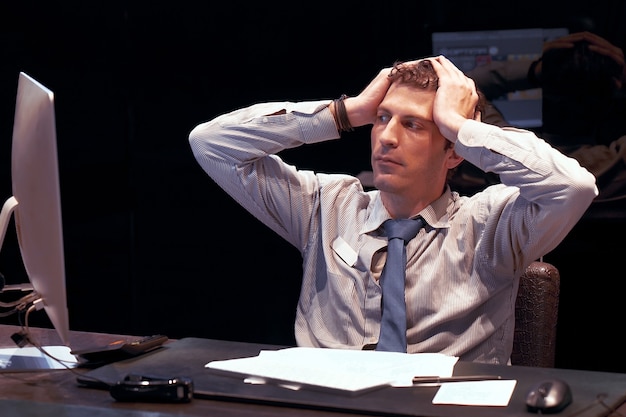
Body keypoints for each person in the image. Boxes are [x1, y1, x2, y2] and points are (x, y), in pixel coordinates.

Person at [188, 56, 597, 365]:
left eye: (414, 125)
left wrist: (460, 126)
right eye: (383, 119)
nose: (386, 137)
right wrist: (345, 113)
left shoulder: (490, 222)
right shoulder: (324, 205)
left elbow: (573, 187)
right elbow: (210, 144)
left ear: (453, 151)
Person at [463, 31, 626, 201]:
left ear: (545, 94)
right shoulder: (618, 166)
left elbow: (465, 87)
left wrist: (535, 69)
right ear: (610, 102)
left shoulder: (498, 156)